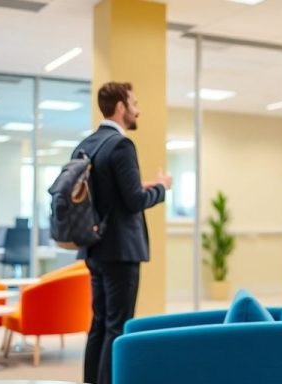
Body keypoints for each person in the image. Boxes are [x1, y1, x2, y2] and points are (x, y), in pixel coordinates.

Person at [76, 82, 172, 384]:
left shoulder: (88, 144)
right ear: (121, 107)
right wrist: (161, 188)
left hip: (94, 247)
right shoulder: (121, 144)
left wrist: (137, 187)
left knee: (99, 324)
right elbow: (134, 202)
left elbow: (107, 194)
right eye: (134, 102)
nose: (137, 109)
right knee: (118, 327)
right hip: (120, 250)